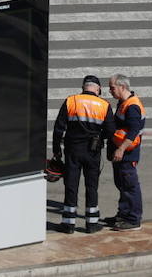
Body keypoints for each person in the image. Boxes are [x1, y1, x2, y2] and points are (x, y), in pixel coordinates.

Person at [51, 74, 111, 234]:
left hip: (72, 150)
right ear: (98, 89)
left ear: (83, 88)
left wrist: (56, 151)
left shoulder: (71, 101)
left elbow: (58, 128)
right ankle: (92, 224)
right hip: (93, 152)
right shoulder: (104, 105)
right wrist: (99, 137)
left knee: (71, 185)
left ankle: (68, 224)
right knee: (92, 186)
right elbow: (111, 131)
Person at [105, 72, 146, 230]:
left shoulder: (132, 106)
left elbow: (134, 130)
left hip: (128, 153)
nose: (110, 91)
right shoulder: (124, 102)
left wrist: (121, 149)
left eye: (112, 87)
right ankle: (123, 214)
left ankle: (133, 219)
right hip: (121, 152)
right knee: (122, 184)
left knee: (130, 186)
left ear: (122, 87)